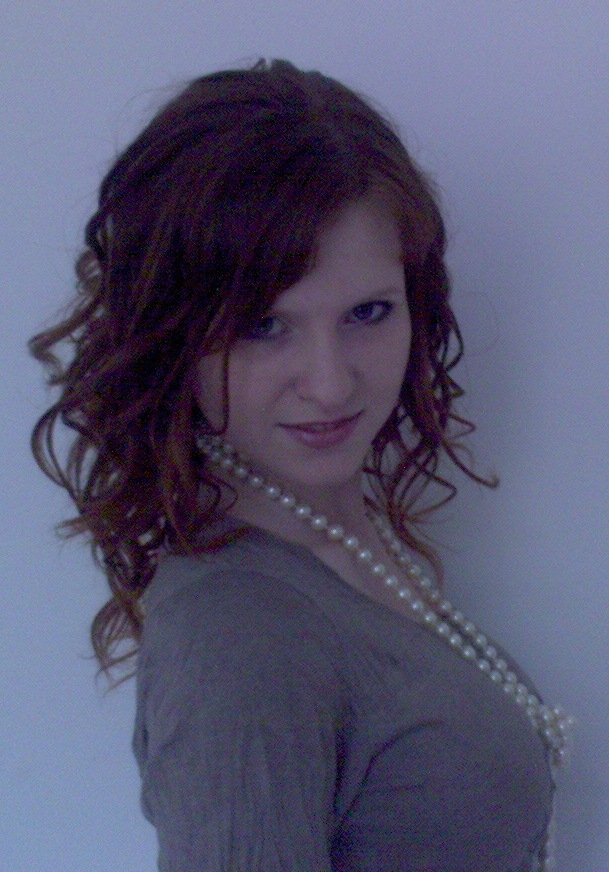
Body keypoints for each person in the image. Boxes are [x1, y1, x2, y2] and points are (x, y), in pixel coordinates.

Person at [30, 58, 571, 871]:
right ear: (173, 335)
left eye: (368, 312)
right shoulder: (238, 635)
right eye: (261, 327)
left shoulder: (341, 548)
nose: (329, 383)